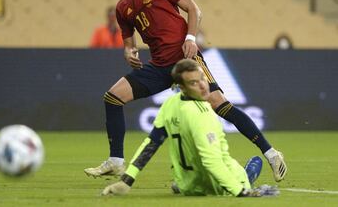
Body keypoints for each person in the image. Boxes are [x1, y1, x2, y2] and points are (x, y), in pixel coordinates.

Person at [84, 0, 287, 182]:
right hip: (159, 66)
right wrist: (129, 53)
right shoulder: (123, 7)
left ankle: (272, 154)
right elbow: (129, 44)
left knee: (219, 104)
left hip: (185, 57)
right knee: (113, 97)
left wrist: (190, 38)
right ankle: (116, 161)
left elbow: (194, 10)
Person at [101, 59, 279, 197]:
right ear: (181, 88)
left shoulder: (170, 105)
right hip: (220, 187)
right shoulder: (205, 114)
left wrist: (127, 180)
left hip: (188, 187)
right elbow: (212, 162)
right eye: (194, 83)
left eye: (203, 78)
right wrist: (241, 191)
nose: (202, 85)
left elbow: (151, 144)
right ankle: (246, 179)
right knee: (253, 164)